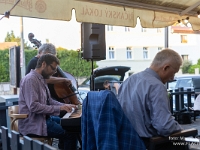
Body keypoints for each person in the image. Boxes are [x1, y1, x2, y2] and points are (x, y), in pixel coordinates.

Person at [118, 49, 188, 150]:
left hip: (127, 142)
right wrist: (181, 129)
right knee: (184, 141)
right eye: (173, 73)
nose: (172, 78)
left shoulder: (129, 80)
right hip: (149, 144)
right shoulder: (157, 86)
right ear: (166, 68)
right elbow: (164, 127)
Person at [18, 54, 78, 150]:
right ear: (44, 64)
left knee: (70, 125)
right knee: (70, 134)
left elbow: (49, 101)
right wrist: (59, 108)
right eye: (53, 69)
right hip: (34, 124)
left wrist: (65, 105)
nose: (54, 72)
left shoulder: (41, 79)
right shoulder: (30, 80)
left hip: (45, 119)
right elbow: (33, 106)